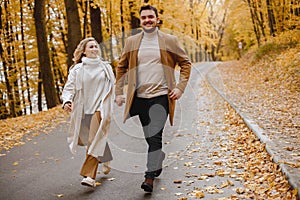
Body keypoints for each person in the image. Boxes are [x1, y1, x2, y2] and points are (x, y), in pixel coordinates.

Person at [115, 5, 191, 193]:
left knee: (155, 134)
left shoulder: (169, 41)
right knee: (150, 136)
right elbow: (121, 67)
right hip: (139, 98)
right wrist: (118, 91)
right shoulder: (132, 42)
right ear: (140, 21)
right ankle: (158, 157)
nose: (147, 20)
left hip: (161, 96)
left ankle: (149, 178)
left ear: (157, 19)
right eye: (144, 18)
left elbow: (185, 63)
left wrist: (180, 88)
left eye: (151, 17)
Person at [61, 37, 115, 188]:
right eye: (91, 47)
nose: (94, 49)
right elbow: (69, 88)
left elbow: (113, 87)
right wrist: (67, 101)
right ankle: (106, 157)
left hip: (100, 109)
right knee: (92, 139)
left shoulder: (106, 68)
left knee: (93, 140)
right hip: (83, 110)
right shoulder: (77, 69)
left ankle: (90, 176)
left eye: (96, 47)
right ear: (84, 51)